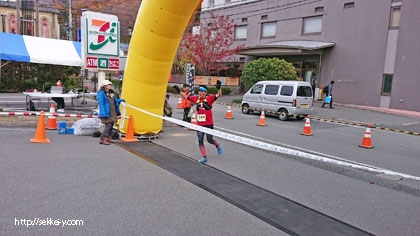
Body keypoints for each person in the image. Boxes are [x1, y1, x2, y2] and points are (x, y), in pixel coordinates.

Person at [176, 81, 223, 163]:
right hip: (200, 124)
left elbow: (219, 95)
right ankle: (204, 157)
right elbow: (186, 96)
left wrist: (219, 88)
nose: (200, 93)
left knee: (209, 140)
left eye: (202, 91)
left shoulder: (209, 98)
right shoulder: (196, 99)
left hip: (209, 124)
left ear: (205, 92)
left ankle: (217, 145)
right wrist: (178, 91)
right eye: (199, 91)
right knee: (200, 140)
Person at [97, 80, 125, 145]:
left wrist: (120, 100)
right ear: (104, 86)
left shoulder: (111, 92)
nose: (110, 86)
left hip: (113, 111)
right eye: (108, 85)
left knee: (111, 125)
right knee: (108, 125)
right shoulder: (101, 93)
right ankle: (103, 138)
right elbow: (101, 103)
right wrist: (103, 113)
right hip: (106, 112)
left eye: (110, 85)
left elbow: (114, 101)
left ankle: (108, 137)